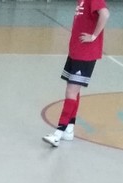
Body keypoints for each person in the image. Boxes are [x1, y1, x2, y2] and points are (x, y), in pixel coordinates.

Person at [42, 0, 109, 147]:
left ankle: (58, 133)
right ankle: (69, 129)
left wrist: (93, 36)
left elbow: (105, 14)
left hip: (85, 53)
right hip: (76, 51)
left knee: (71, 92)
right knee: (74, 91)